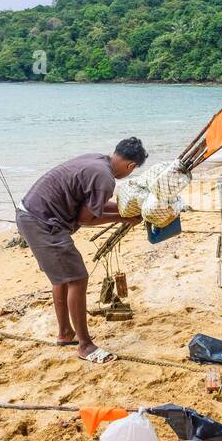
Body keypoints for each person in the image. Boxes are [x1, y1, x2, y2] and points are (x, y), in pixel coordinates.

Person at [16, 138, 148, 363]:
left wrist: (126, 213)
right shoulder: (105, 179)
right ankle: (85, 345)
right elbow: (85, 218)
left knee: (62, 277)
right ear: (131, 167)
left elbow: (90, 207)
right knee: (77, 278)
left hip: (31, 214)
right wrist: (123, 217)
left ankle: (66, 333)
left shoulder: (98, 161)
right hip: (43, 222)